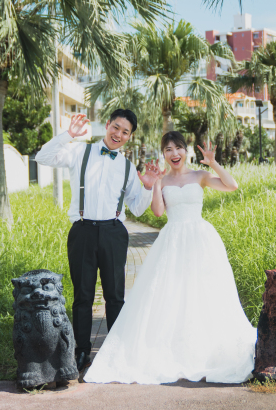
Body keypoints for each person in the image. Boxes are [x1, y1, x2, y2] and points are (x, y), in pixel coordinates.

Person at [84, 131, 256, 384]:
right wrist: (155, 184)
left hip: (200, 238)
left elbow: (232, 185)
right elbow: (157, 212)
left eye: (178, 148)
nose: (174, 153)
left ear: (186, 151)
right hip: (173, 239)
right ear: (163, 154)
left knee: (204, 292)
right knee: (172, 293)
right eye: (168, 149)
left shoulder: (200, 176)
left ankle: (205, 348)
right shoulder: (163, 181)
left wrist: (213, 162)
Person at [35, 110, 163, 371]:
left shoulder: (127, 166)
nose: (118, 134)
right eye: (115, 127)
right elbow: (42, 157)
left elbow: (137, 209)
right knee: (83, 296)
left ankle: (115, 352)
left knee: (115, 296)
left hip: (114, 233)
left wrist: (149, 186)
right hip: (82, 230)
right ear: (107, 125)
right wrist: (68, 135)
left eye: (125, 131)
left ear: (130, 136)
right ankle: (82, 352)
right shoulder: (79, 151)